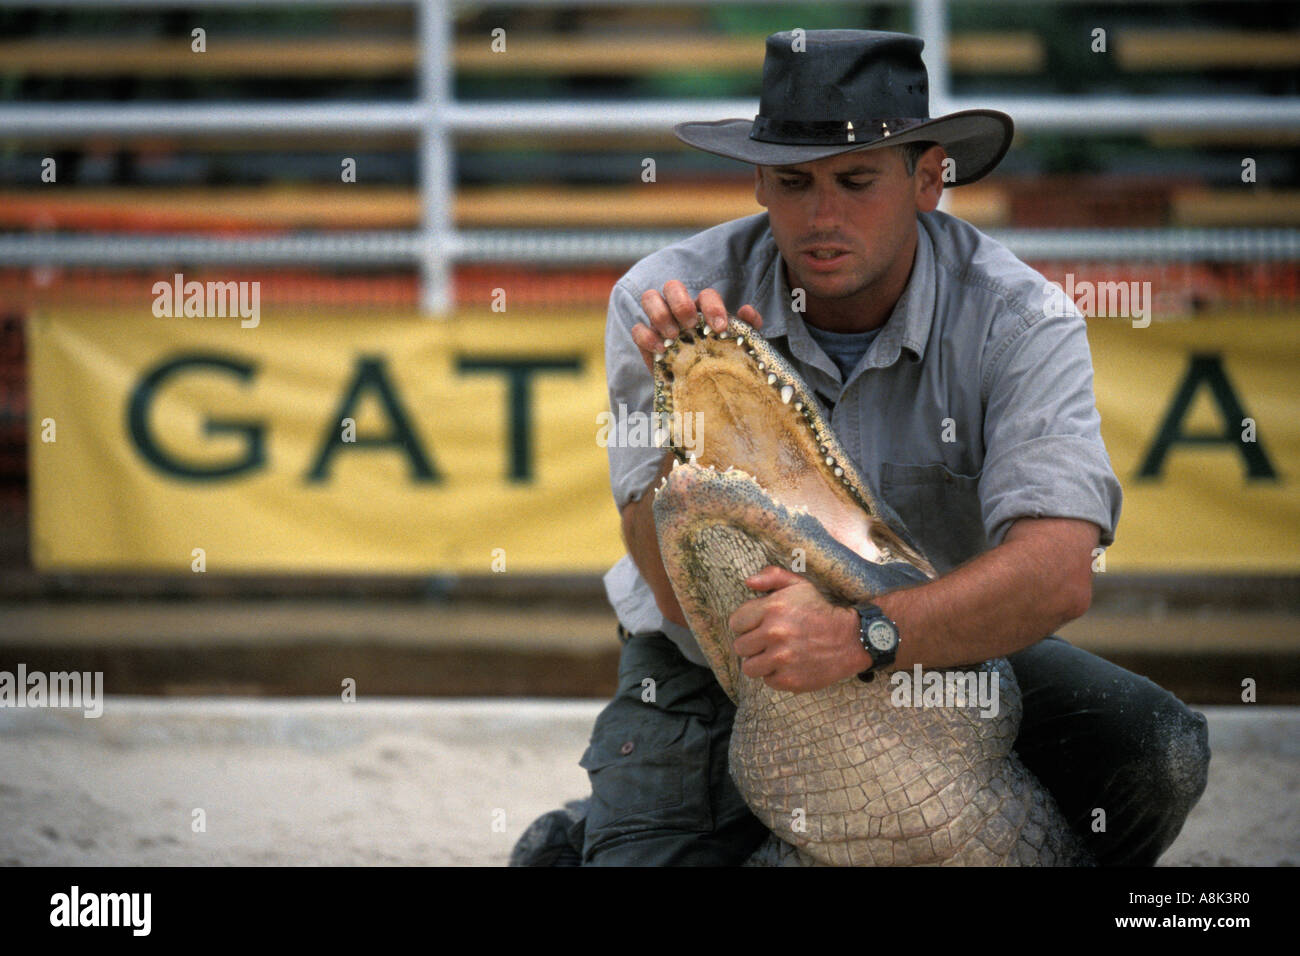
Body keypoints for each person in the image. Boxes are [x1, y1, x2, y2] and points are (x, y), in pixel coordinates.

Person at [511, 29, 1210, 867]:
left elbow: (1058, 571)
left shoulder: (1023, 319)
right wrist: (700, 397)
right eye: (794, 182)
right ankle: (587, 839)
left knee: (1160, 752)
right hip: (717, 665)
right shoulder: (663, 302)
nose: (822, 215)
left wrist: (860, 636)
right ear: (761, 181)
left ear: (928, 179)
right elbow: (662, 580)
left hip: (940, 655)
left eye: (856, 180)